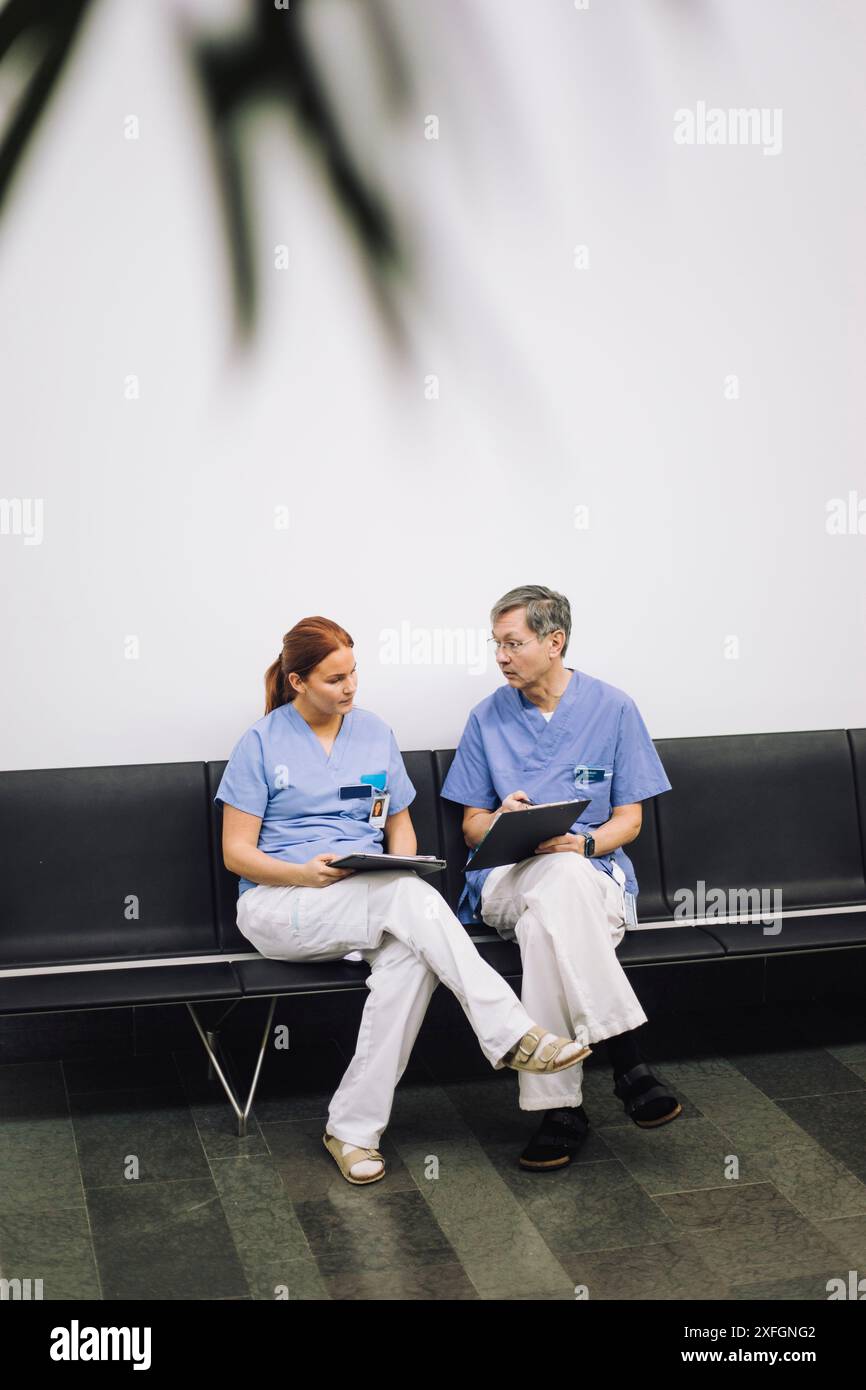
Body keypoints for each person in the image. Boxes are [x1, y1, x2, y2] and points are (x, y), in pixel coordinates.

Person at [214, 615, 591, 1186]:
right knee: (407, 900)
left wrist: (400, 864)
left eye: (354, 673)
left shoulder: (373, 732)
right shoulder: (261, 743)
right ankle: (512, 1032)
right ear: (298, 683)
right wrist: (300, 873)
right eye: (335, 679)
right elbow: (236, 854)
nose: (350, 688)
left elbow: (401, 828)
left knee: (410, 959)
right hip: (281, 904)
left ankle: (352, 1131)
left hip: (368, 898)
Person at [440, 584, 681, 1173]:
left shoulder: (613, 708)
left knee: (555, 905)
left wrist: (584, 841)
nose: (500, 656)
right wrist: (501, 819)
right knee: (555, 884)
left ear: (555, 642)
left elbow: (628, 820)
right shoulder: (487, 717)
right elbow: (472, 827)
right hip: (505, 879)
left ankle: (559, 1111)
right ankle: (627, 1059)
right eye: (495, 644)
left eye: (512, 643)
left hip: (591, 873)